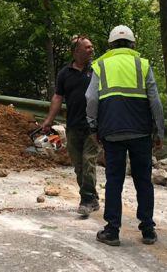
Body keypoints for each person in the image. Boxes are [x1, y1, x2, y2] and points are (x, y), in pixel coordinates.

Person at [86, 25, 165, 247]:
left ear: (110, 44)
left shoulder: (101, 64)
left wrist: (93, 127)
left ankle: (112, 230)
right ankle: (148, 229)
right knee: (143, 180)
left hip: (111, 131)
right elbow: (155, 101)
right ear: (132, 44)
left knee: (114, 180)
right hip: (140, 131)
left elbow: (91, 99)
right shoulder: (142, 64)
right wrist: (159, 130)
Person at [41, 35, 99, 217]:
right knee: (79, 165)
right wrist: (49, 120)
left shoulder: (97, 70)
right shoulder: (65, 73)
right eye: (87, 47)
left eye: (91, 47)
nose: (91, 50)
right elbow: (58, 97)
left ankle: (87, 200)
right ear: (76, 52)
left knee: (89, 161)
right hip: (73, 125)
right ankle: (92, 197)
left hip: (93, 125)